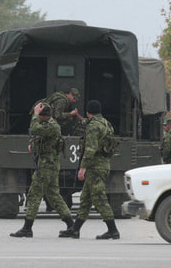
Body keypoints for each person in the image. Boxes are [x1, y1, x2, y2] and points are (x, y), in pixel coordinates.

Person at [10, 103, 74, 238]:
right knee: (54, 196)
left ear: (43, 116)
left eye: (40, 116)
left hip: (46, 166)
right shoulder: (49, 125)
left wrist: (34, 114)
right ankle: (71, 225)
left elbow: (34, 128)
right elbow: (40, 138)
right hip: (50, 165)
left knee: (34, 194)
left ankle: (27, 228)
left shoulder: (51, 125)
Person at [59, 100, 120, 240]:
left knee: (99, 197)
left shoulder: (93, 127)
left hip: (95, 166)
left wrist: (82, 168)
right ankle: (75, 229)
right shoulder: (106, 123)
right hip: (103, 164)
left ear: (88, 112)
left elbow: (90, 149)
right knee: (85, 198)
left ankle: (113, 230)